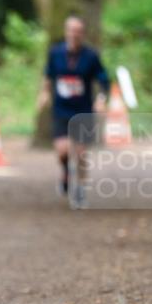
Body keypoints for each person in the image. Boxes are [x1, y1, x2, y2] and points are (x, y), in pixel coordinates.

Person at [37, 16, 109, 205]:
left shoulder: (91, 56)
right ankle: (66, 173)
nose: (74, 34)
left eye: (78, 31)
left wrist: (101, 99)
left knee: (81, 152)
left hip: (83, 110)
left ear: (82, 33)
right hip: (62, 109)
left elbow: (104, 80)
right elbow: (48, 74)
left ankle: (81, 189)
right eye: (71, 30)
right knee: (62, 150)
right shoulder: (56, 53)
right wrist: (44, 93)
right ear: (66, 31)